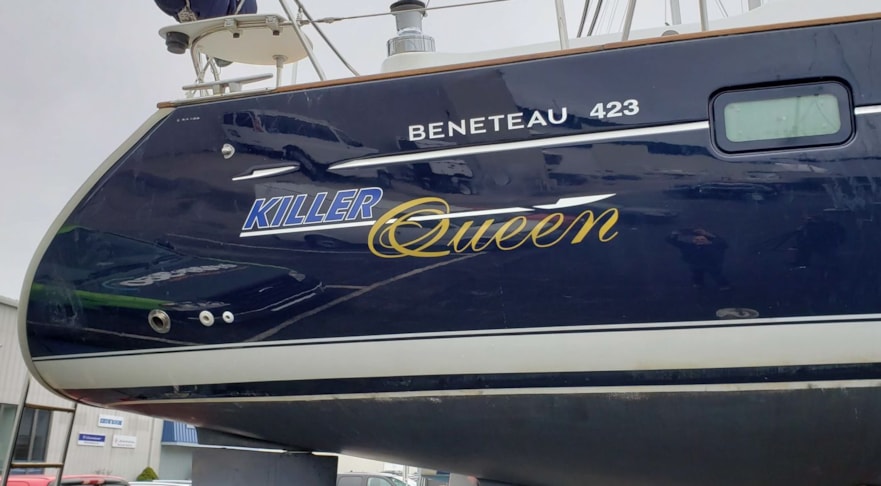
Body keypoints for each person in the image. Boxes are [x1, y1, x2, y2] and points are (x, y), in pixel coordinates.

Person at [666, 228, 731, 290]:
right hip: (695, 264)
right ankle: (699, 283)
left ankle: (724, 285)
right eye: (696, 239)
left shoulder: (714, 245)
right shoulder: (688, 246)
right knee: (697, 275)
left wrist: (707, 234)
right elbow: (671, 241)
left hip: (711, 265)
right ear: (693, 240)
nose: (699, 241)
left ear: (707, 241)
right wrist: (674, 234)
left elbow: (722, 243)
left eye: (702, 239)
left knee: (717, 275)